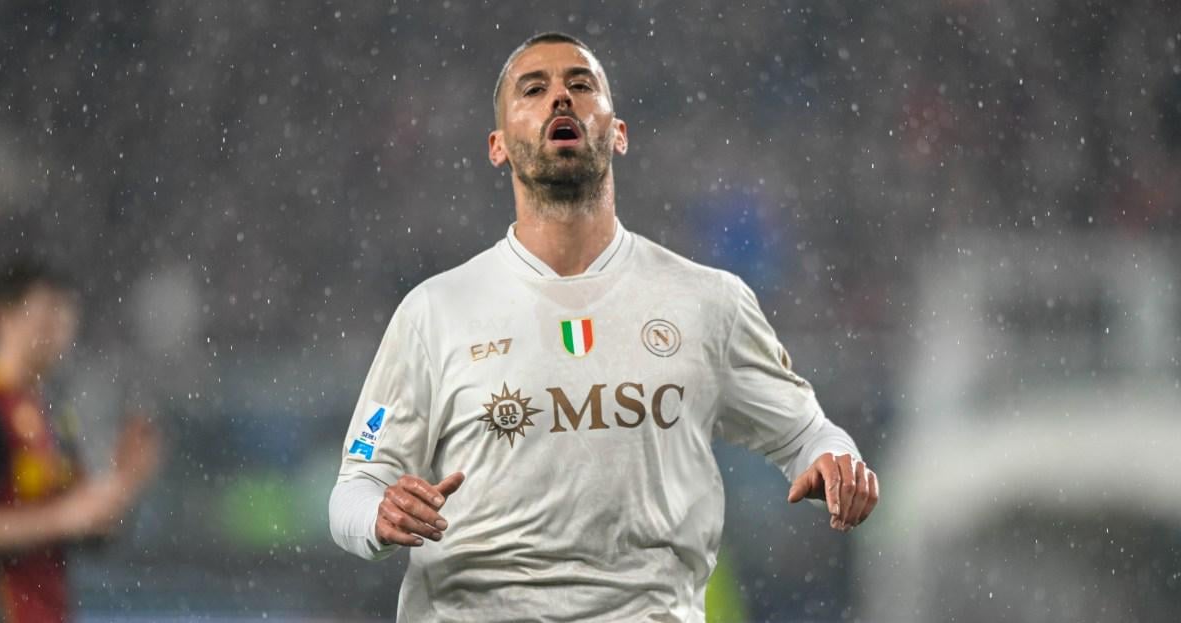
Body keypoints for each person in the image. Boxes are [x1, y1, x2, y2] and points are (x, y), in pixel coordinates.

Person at [328, 32, 879, 621]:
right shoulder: (435, 312)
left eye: (580, 84)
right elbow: (354, 489)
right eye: (533, 90)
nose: (560, 97)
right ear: (498, 146)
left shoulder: (708, 302)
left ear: (618, 133)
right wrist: (379, 516)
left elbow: (809, 437)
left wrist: (837, 465)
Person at [0, 260, 161, 623]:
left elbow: (85, 529)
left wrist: (123, 485)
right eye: (46, 317)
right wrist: (61, 519)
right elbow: (64, 518)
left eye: (65, 320)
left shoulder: (54, 417)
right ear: (3, 319)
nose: (58, 333)